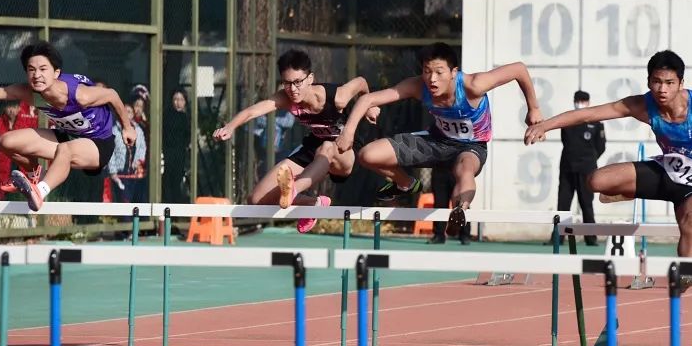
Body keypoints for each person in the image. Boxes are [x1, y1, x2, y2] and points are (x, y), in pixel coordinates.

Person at [524, 50, 692, 259]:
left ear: (680, 83)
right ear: (649, 80)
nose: (662, 89)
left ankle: (686, 274)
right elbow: (589, 114)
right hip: (666, 173)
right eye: (656, 82)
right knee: (595, 181)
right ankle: (628, 191)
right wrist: (544, 125)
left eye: (669, 83)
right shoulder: (642, 106)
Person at [336, 42, 542, 237]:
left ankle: (460, 210)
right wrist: (348, 132)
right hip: (435, 142)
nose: (432, 79)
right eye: (427, 71)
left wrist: (533, 108)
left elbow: (519, 69)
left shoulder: (474, 85)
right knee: (367, 155)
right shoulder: (418, 86)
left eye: (439, 72)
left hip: (470, 147)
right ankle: (406, 183)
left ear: (453, 72)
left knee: (465, 170)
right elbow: (368, 99)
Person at [0, 41, 135, 211]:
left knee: (65, 150)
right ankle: (32, 174)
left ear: (56, 73)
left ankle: (40, 192)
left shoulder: (80, 95)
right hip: (68, 136)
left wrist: (127, 127)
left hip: (99, 144)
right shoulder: (30, 94)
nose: (36, 75)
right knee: (6, 141)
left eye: (43, 69)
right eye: (31, 69)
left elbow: (113, 95)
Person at [213, 49, 378, 233]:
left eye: (298, 82)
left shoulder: (338, 97)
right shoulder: (286, 97)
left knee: (327, 147)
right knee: (257, 199)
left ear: (310, 78)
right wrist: (230, 127)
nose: (293, 89)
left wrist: (370, 105)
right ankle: (312, 203)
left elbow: (362, 82)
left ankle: (293, 189)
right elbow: (253, 110)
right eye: (287, 83)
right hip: (315, 146)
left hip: (345, 152)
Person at [557, 90, 606, 247]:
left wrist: (589, 160)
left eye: (583, 101)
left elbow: (601, 147)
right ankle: (558, 238)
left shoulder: (596, 123)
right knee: (563, 204)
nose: (580, 103)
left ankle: (591, 238)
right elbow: (565, 141)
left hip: (587, 169)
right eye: (578, 100)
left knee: (586, 204)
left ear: (588, 102)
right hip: (567, 167)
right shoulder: (567, 121)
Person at [0, 100, 38, 200]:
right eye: (9, 107)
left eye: (14, 107)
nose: (11, 110)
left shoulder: (26, 125)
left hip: (21, 168)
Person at [106, 101, 147, 203]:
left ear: (133, 114)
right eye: (124, 111)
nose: (127, 114)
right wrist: (113, 172)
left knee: (136, 202)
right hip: (120, 174)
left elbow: (142, 147)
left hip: (134, 173)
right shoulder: (114, 131)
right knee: (124, 203)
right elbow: (110, 153)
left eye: (129, 112)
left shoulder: (138, 130)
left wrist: (138, 162)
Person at [429, 166, 470, 245]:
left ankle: (465, 235)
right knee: (439, 204)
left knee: (461, 203)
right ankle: (439, 235)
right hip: (439, 169)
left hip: (457, 170)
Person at [162, 88, 190, 204]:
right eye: (175, 99)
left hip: (181, 154)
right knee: (168, 180)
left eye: (181, 99)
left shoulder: (187, 117)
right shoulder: (167, 116)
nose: (178, 103)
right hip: (169, 153)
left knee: (177, 181)